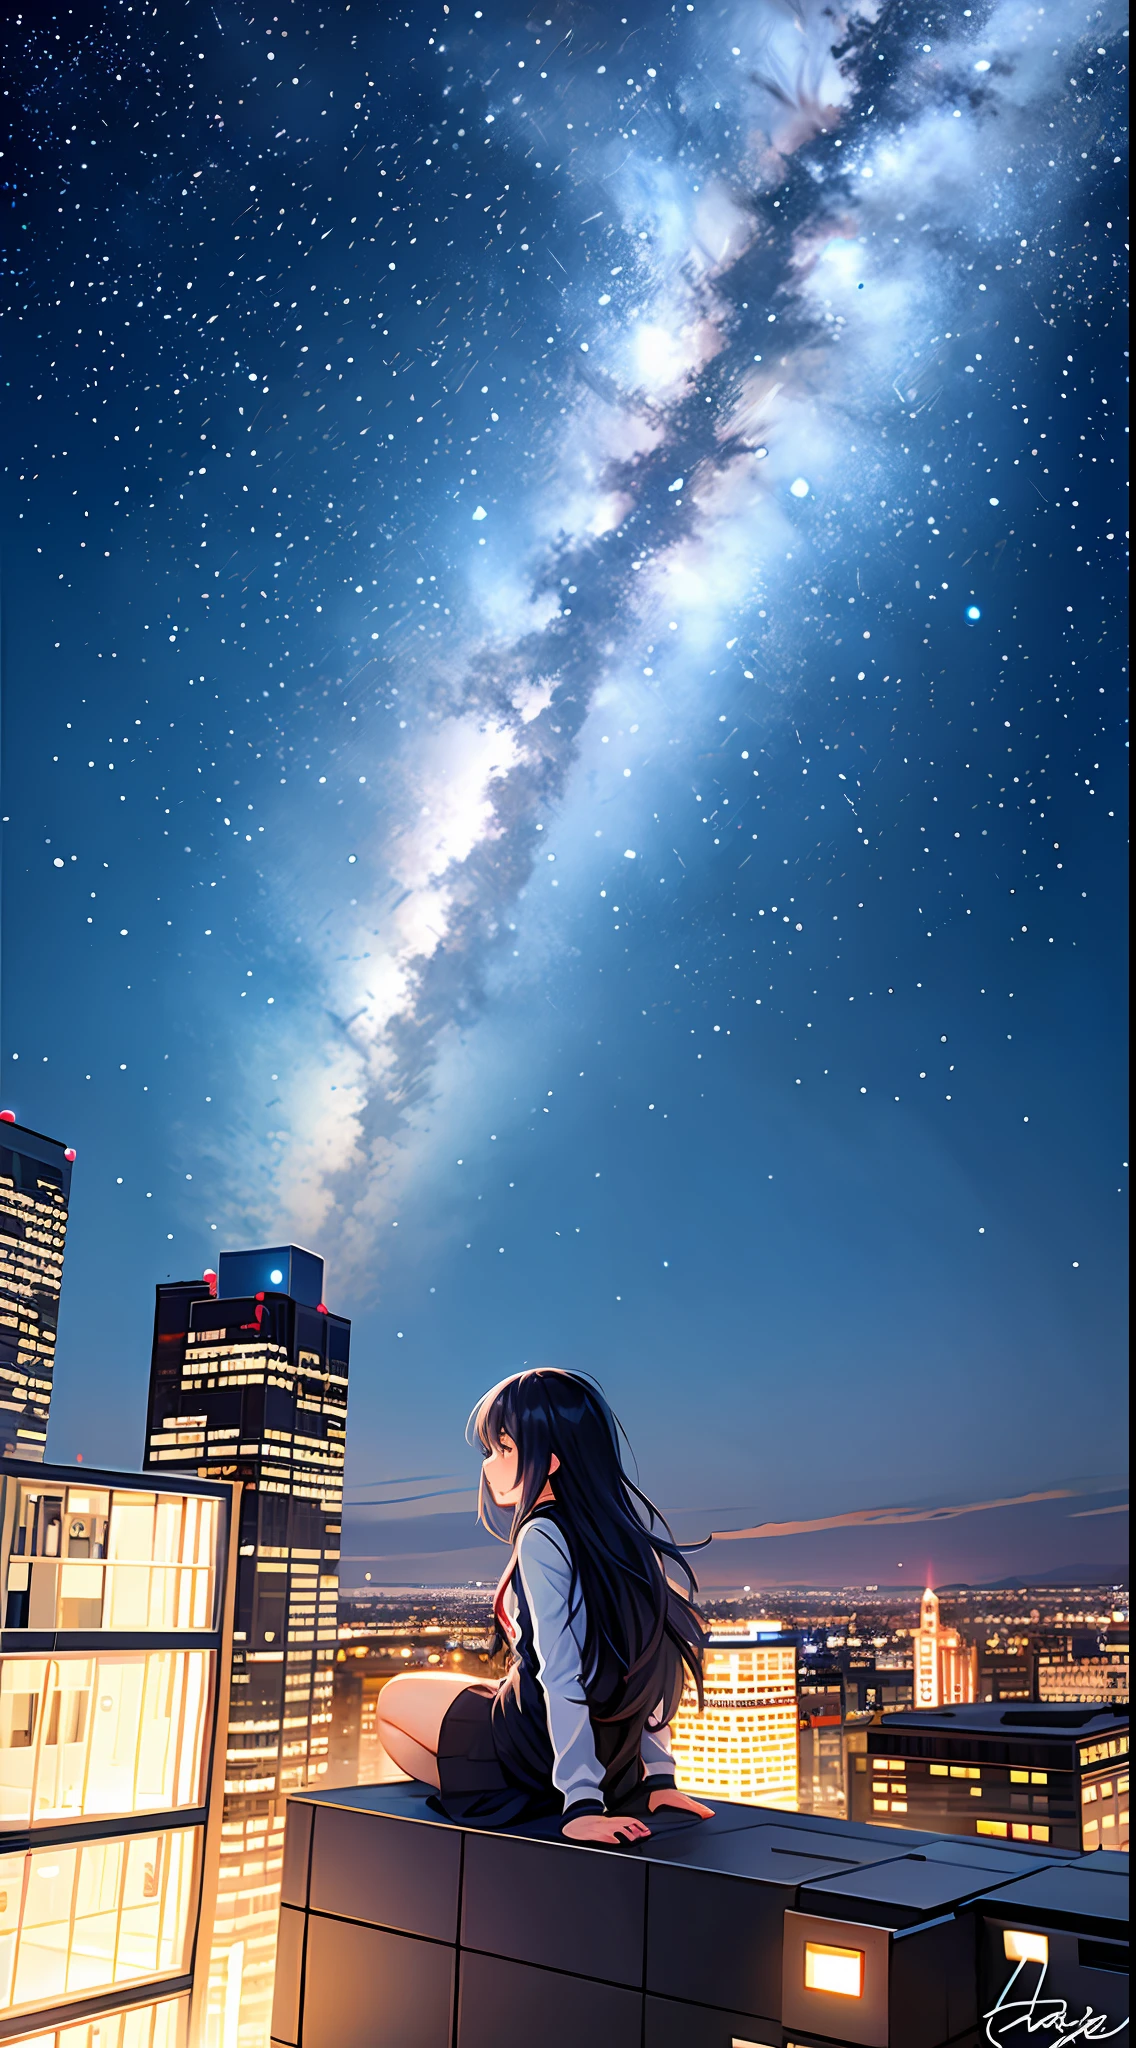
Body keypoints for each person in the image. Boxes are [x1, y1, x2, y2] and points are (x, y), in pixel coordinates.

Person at [376, 1368, 714, 1845]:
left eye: (504, 1448)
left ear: (550, 1458)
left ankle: (533, 1793)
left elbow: (561, 1673)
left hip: (536, 1747)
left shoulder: (543, 1535)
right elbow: (648, 1662)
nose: (489, 1464)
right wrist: (658, 1777)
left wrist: (580, 1802)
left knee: (392, 1704)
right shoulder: (629, 1537)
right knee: (471, 1691)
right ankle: (543, 1785)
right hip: (615, 1762)